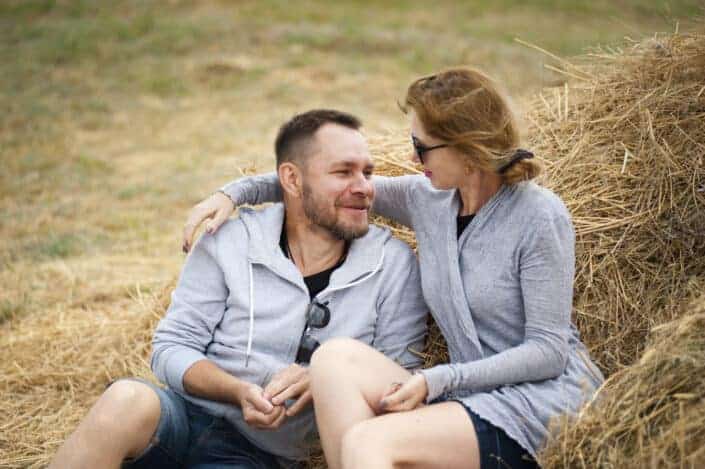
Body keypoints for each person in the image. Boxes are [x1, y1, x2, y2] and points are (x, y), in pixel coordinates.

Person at [183, 68, 604, 469]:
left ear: (467, 147)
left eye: (422, 147)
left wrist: (440, 379)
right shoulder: (430, 200)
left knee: (367, 440)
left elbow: (549, 352)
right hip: (467, 399)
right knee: (332, 360)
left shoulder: (539, 214)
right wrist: (232, 194)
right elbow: (321, 189)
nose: (412, 155)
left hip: (540, 403)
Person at [49, 109, 428, 469]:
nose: (364, 187)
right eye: (344, 172)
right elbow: (170, 347)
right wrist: (236, 391)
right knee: (124, 400)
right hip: (182, 416)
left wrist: (328, 378)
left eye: (367, 172)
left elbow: (399, 379)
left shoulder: (393, 264)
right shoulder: (229, 240)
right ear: (292, 180)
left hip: (260, 454)